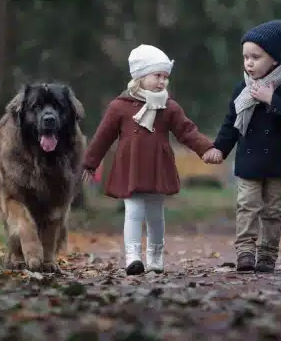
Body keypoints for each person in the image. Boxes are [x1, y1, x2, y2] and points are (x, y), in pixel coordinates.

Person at [83, 44, 219, 275]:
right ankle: (133, 257)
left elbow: (187, 131)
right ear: (140, 76)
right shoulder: (119, 107)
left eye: (165, 77)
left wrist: (205, 148)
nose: (162, 81)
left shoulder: (169, 107)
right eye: (157, 75)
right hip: (131, 167)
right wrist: (89, 162)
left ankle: (155, 255)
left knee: (155, 215)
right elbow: (103, 136)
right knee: (133, 212)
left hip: (158, 167)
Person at [204, 20, 281, 273]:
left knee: (272, 211)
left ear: (274, 58)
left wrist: (272, 99)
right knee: (247, 206)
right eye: (245, 57)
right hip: (249, 161)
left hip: (279, 162)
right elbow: (231, 122)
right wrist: (220, 148)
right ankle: (246, 251)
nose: (248, 62)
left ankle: (268, 255)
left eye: (255, 57)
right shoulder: (243, 88)